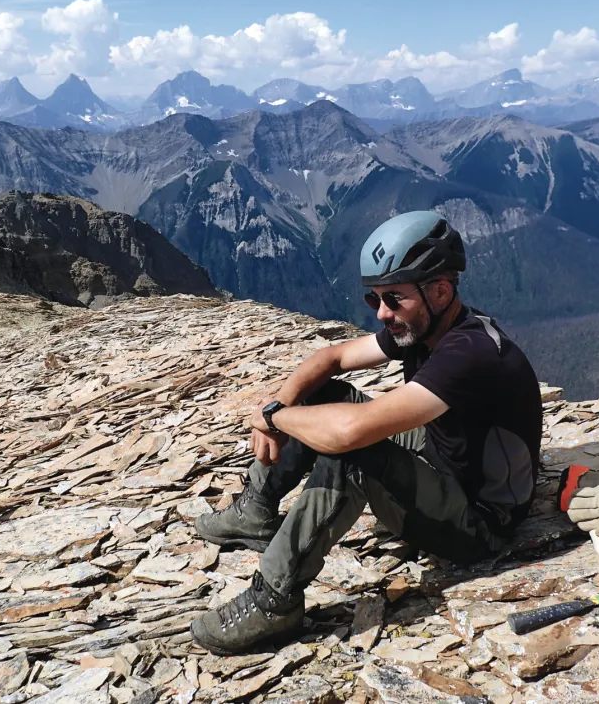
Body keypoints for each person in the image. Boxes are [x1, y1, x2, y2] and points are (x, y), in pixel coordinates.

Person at [190, 210, 544, 656]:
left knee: (351, 451)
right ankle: (255, 510)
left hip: (480, 524)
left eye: (393, 299)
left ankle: (275, 600)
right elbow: (332, 359)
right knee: (327, 394)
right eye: (373, 299)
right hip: (443, 462)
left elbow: (350, 432)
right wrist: (283, 404)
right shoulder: (425, 326)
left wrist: (273, 416)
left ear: (440, 290)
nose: (382, 313)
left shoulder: (468, 353)